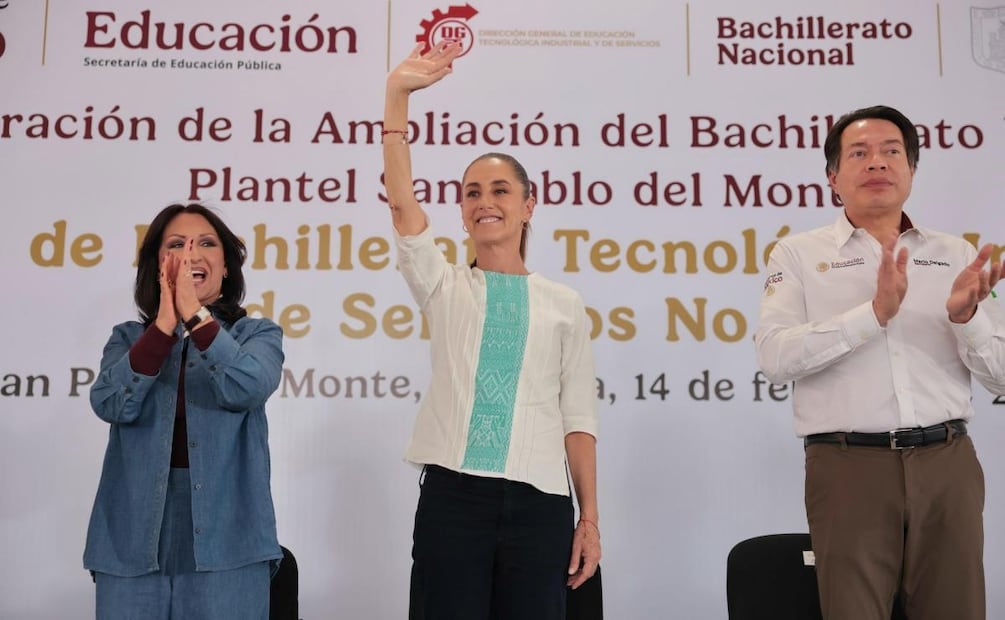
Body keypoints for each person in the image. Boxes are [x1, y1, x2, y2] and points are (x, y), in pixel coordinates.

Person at [754, 105, 1005, 620]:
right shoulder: (797, 255)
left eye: (892, 152)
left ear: (911, 171)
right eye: (859, 153)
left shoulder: (956, 255)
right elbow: (775, 357)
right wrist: (873, 315)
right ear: (832, 178)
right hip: (848, 466)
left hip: (948, 463)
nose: (877, 163)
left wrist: (967, 319)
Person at [383, 41, 601, 619]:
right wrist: (397, 97)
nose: (485, 202)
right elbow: (403, 207)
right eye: (472, 193)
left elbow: (578, 420)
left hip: (541, 505)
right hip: (454, 501)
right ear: (461, 212)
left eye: (500, 190)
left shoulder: (565, 304)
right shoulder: (444, 285)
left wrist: (589, 519)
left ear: (529, 205)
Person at [83, 203, 285, 620]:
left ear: (225, 267)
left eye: (206, 244)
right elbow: (110, 402)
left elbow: (246, 387)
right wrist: (162, 327)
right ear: (157, 266)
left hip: (230, 538)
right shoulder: (128, 339)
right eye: (177, 245)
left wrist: (194, 315)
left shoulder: (256, 334)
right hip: (130, 539)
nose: (191, 254)